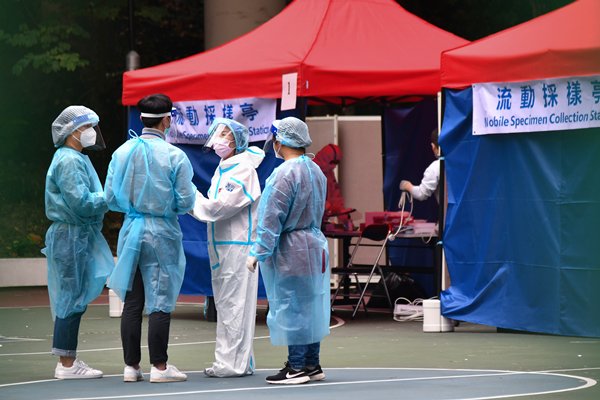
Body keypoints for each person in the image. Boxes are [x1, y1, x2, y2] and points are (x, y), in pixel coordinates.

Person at [105, 94, 196, 383]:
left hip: (132, 230)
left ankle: (131, 366)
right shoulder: (174, 156)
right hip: (162, 232)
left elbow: (110, 197)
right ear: (167, 120)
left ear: (141, 118)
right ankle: (160, 366)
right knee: (160, 300)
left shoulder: (121, 152)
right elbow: (185, 200)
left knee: (133, 301)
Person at [246, 117, 329, 385]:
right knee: (311, 306)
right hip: (314, 246)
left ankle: (296, 368)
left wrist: (258, 251)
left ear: (279, 141)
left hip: (292, 249)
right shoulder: (315, 170)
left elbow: (272, 217)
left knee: (294, 308)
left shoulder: (284, 174)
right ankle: (312, 364)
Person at [188, 118, 264, 377]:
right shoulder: (225, 168)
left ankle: (231, 364)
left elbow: (219, 208)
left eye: (224, 134)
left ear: (237, 141)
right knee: (228, 305)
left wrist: (189, 195)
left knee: (235, 307)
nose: (218, 139)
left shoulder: (243, 171)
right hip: (224, 247)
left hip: (238, 248)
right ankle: (238, 362)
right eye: (217, 133)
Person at [43, 105, 114, 379]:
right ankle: (67, 364)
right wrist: (112, 196)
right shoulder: (69, 161)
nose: (91, 132)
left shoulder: (75, 157)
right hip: (71, 235)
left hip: (76, 234)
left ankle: (68, 359)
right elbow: (81, 203)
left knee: (72, 297)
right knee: (70, 299)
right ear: (71, 131)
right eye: (86, 127)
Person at [313, 144, 353, 228]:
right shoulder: (309, 171)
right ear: (324, 159)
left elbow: (335, 197)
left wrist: (344, 217)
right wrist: (327, 206)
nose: (334, 166)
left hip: (320, 223)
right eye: (332, 162)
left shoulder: (329, 174)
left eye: (337, 163)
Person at [400, 128, 440, 203]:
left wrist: (407, 186)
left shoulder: (436, 167)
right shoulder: (462, 161)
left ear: (433, 146)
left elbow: (421, 194)